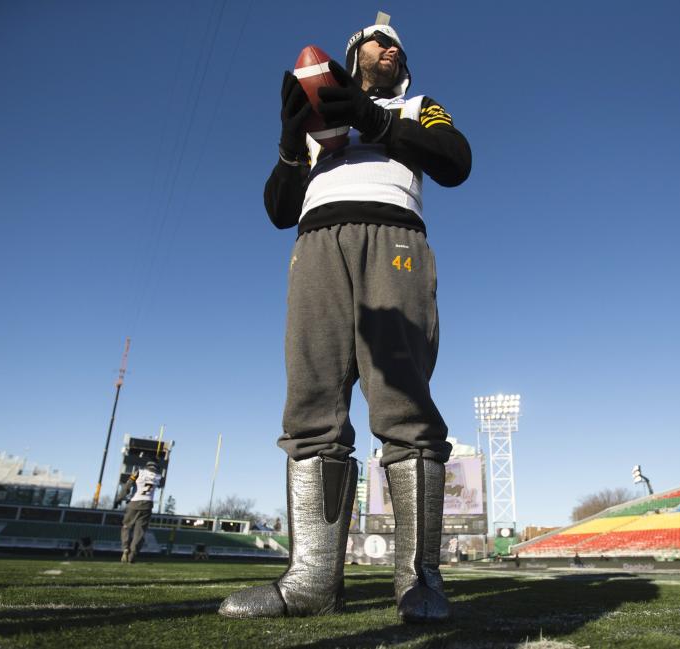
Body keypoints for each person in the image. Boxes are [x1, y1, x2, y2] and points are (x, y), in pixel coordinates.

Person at [218, 15, 470, 623]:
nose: (387, 48)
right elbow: (278, 208)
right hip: (315, 241)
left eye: (396, 47)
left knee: (403, 401)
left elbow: (456, 160)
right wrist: (288, 141)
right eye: (375, 42)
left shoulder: (418, 106)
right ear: (351, 56)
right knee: (311, 404)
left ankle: (419, 579)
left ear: (402, 66)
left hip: (394, 237)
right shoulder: (316, 124)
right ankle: (310, 581)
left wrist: (374, 115)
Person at [118, 460, 160, 563]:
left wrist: (119, 498)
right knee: (139, 532)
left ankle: (125, 548)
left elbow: (127, 486)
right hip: (147, 505)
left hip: (134, 503)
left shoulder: (138, 472)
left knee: (126, 527)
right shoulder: (158, 477)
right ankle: (133, 554)